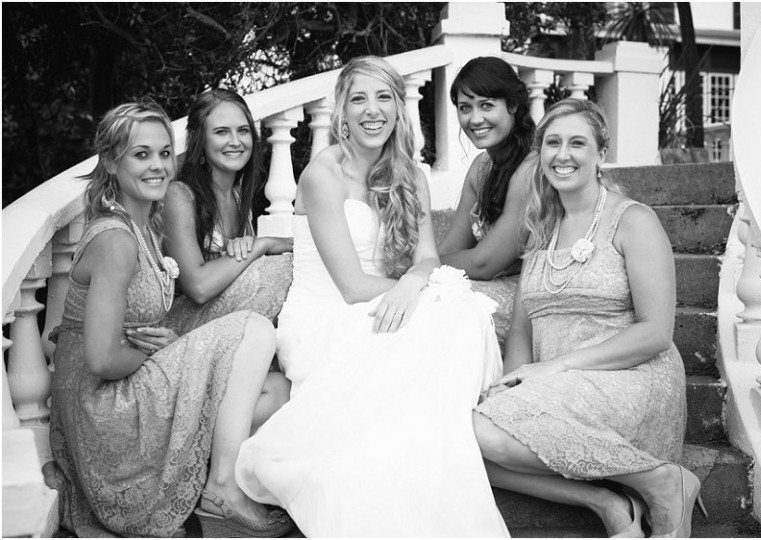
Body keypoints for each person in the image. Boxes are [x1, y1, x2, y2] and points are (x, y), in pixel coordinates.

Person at [234, 56, 509, 537]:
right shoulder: (322, 175)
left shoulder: (410, 175)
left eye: (384, 97)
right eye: (358, 99)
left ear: (399, 108)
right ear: (342, 110)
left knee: (462, 311)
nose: (372, 110)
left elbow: (428, 258)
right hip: (327, 315)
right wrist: (414, 290)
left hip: (384, 301)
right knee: (448, 311)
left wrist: (414, 283)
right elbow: (351, 286)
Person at [48, 101, 293, 538]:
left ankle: (209, 473)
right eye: (141, 155)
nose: (159, 166)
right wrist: (159, 353)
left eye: (164, 153)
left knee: (277, 391)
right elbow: (101, 359)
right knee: (253, 330)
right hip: (104, 411)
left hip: (128, 382)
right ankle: (221, 488)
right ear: (111, 162)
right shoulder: (116, 240)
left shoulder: (143, 225)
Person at [474, 98, 705, 538]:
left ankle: (661, 481)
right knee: (458, 442)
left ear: (601, 152)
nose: (563, 155)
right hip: (557, 384)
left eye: (577, 143)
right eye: (553, 143)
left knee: (485, 434)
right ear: (540, 153)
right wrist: (511, 384)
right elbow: (522, 327)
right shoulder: (541, 228)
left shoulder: (633, 220)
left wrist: (556, 367)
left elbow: (656, 332)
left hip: (629, 376)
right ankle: (607, 502)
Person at [162, 88, 293, 337]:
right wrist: (261, 245)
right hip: (179, 329)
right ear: (199, 139)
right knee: (279, 272)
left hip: (229, 322)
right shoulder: (179, 195)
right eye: (221, 132)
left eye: (243, 130)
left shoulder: (237, 194)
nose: (235, 141)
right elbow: (199, 286)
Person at [438, 56, 539, 345]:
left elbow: (485, 263)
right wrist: (419, 267)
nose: (474, 119)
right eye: (465, 108)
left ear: (513, 105)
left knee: (437, 307)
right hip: (487, 285)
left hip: (524, 298)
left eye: (486, 105)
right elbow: (452, 248)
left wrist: (421, 263)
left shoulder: (531, 168)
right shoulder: (481, 167)